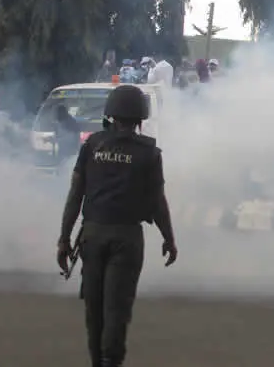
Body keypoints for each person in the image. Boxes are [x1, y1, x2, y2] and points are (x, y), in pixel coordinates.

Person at [56, 84, 178, 367]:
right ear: (140, 118)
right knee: (117, 310)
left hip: (92, 235)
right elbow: (157, 202)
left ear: (110, 114)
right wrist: (169, 239)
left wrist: (64, 238)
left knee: (94, 311)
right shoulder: (150, 154)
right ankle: (111, 361)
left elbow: (76, 194)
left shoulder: (92, 145)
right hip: (126, 238)